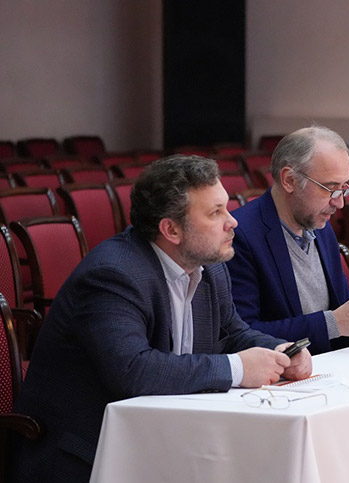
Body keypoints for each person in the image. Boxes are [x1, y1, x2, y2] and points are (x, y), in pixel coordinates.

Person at [10, 155, 312, 482]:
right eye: (215, 212)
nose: (232, 222)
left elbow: (233, 333)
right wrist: (237, 368)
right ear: (171, 229)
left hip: (165, 439)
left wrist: (280, 351)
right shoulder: (113, 275)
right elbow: (132, 371)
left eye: (226, 208)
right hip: (87, 455)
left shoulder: (209, 267)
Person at [226, 126, 349, 354]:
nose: (339, 202)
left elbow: (344, 308)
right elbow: (242, 334)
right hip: (278, 371)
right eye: (330, 188)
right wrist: (333, 323)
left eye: (343, 188)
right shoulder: (241, 235)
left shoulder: (319, 224)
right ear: (289, 180)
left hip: (328, 364)